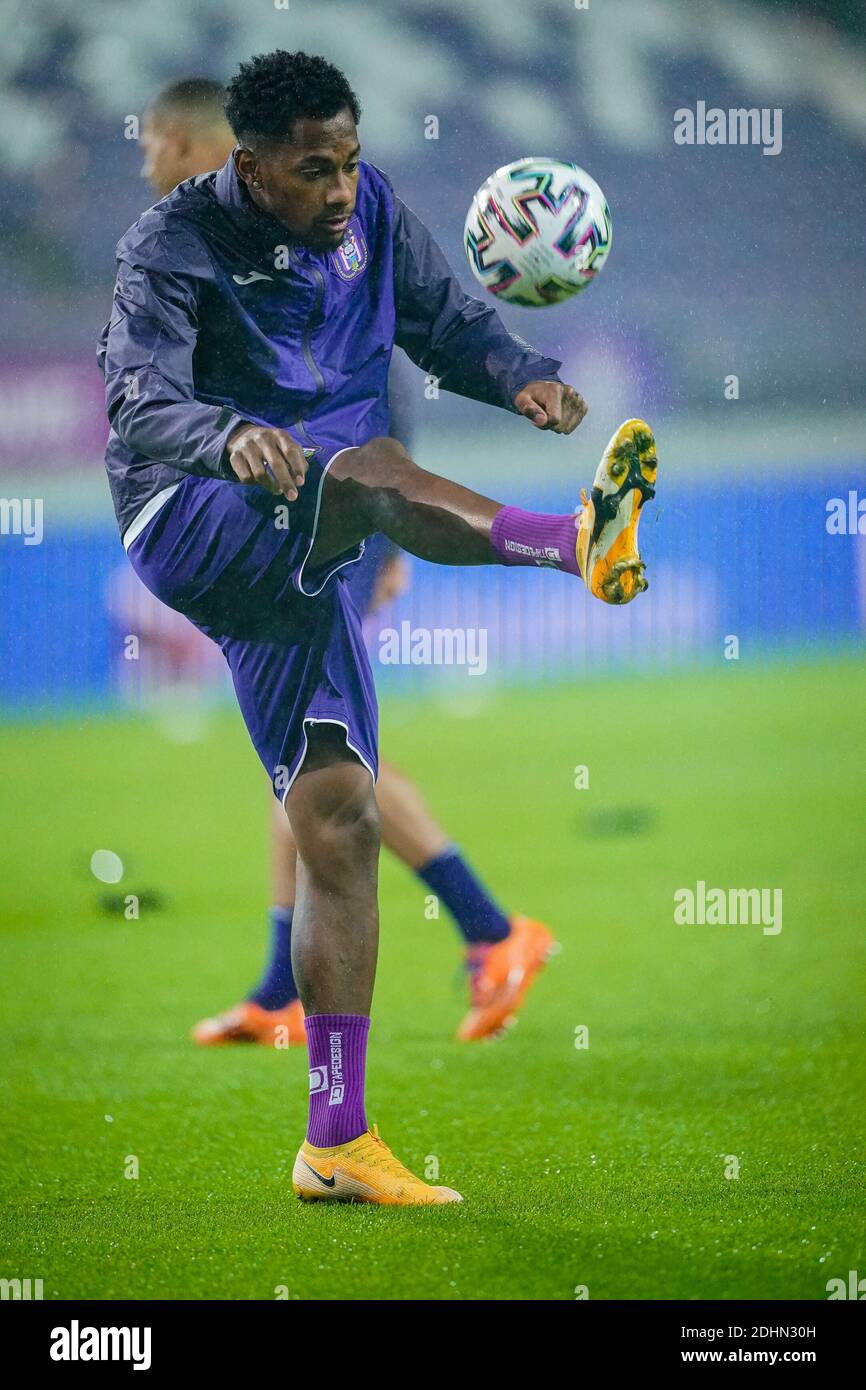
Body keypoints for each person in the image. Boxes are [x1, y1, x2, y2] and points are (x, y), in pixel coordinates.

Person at [99, 50, 657, 1205]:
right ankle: (570, 542)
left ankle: (334, 1141)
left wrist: (520, 380)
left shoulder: (372, 210)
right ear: (250, 168)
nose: (342, 189)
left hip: (308, 541)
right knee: (363, 467)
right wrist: (220, 438)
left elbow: (447, 325)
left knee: (337, 816)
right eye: (315, 171)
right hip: (196, 512)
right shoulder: (171, 246)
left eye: (350, 162)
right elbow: (138, 398)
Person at [140, 76, 557, 1049]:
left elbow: (373, 361)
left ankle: (493, 929)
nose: (147, 159)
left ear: (208, 149)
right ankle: (285, 982)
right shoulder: (209, 244)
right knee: (297, 755)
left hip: (326, 513)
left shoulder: (294, 228)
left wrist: (386, 530)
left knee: (329, 755)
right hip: (278, 509)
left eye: (158, 141)